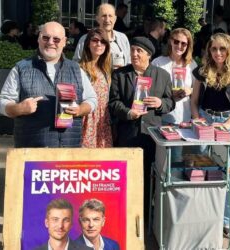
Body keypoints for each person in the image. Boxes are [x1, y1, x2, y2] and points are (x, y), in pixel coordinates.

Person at [0, 21, 97, 148]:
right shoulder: (21, 68)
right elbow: (3, 102)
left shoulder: (76, 69)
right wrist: (19, 108)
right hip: (32, 151)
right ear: (39, 38)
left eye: (56, 39)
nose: (50, 42)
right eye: (46, 38)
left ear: (64, 41)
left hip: (68, 149)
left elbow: (92, 99)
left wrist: (80, 110)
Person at [108, 36, 175, 219]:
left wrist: (160, 103)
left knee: (147, 175)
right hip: (128, 133)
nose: (135, 54)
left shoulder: (162, 75)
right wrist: (128, 113)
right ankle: (124, 214)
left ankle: (145, 215)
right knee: (126, 176)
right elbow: (113, 103)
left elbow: (171, 102)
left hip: (151, 135)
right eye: (133, 50)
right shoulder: (120, 74)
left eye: (139, 51)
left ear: (149, 55)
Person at [191, 33, 230, 237]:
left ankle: (226, 220)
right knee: (202, 171)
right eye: (214, 49)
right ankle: (203, 216)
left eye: (222, 49)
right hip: (205, 120)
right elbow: (194, 101)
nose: (218, 53)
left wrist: (228, 124)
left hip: (226, 124)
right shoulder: (201, 71)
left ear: (229, 50)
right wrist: (197, 118)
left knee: (229, 174)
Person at [151, 28, 197, 162]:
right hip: (163, 117)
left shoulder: (191, 65)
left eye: (184, 43)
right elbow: (151, 90)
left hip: (184, 118)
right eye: (177, 42)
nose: (180, 46)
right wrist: (169, 93)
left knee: (176, 158)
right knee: (161, 158)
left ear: (188, 46)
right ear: (170, 41)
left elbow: (198, 90)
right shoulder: (158, 63)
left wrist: (190, 90)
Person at [79, 28, 113, 148]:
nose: (99, 44)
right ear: (88, 44)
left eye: (103, 41)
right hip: (86, 121)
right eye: (95, 40)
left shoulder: (106, 70)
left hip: (103, 121)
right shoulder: (79, 69)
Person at [74, 3, 131, 69]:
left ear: (115, 19)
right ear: (97, 18)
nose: (107, 20)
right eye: (104, 16)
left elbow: (128, 63)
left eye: (110, 16)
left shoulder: (123, 38)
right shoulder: (85, 39)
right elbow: (76, 64)